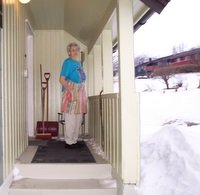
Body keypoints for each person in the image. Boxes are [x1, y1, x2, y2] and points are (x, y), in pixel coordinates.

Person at [59, 42, 86, 149]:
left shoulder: (78, 63)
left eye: (76, 50)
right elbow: (61, 79)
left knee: (78, 118)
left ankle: (74, 140)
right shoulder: (68, 62)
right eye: (73, 50)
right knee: (71, 117)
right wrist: (70, 89)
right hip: (72, 91)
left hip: (80, 91)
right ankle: (69, 142)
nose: (75, 52)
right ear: (69, 53)